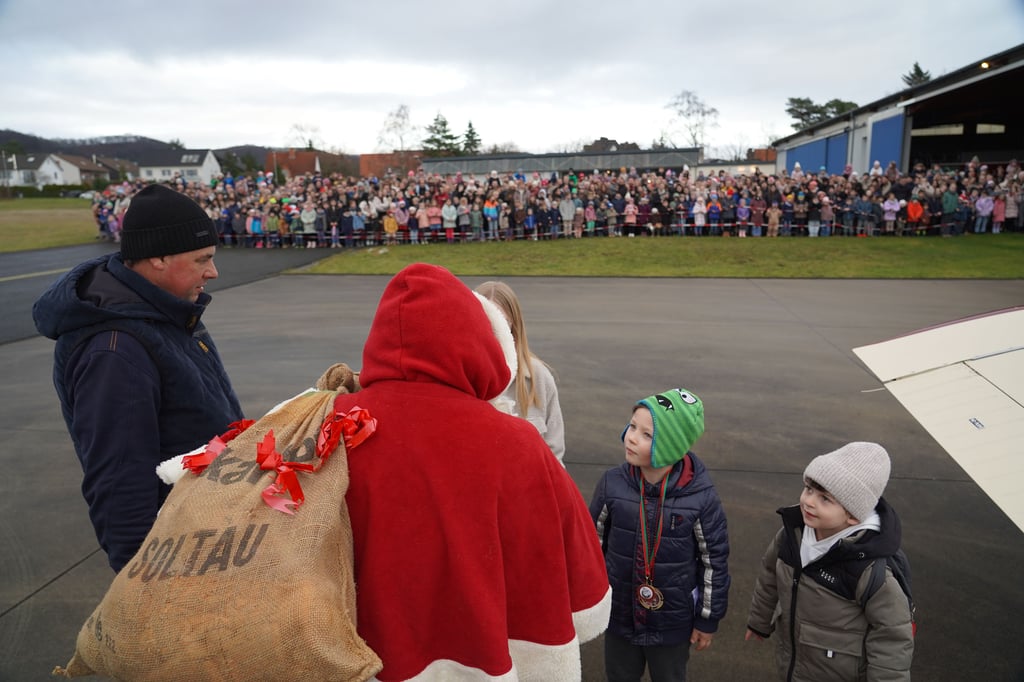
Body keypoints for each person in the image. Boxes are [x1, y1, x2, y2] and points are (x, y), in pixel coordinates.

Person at [337, 263, 611, 679]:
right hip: (483, 649)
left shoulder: (331, 424)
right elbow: (572, 556)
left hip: (364, 652)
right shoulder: (518, 443)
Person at [32, 183, 243, 572]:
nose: (212, 272)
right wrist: (143, 582)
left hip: (210, 532)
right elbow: (119, 485)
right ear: (158, 258)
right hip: (178, 556)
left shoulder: (169, 312)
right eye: (202, 259)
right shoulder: (114, 350)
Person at [590, 388, 731, 682]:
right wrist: (589, 595)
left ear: (671, 446)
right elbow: (592, 544)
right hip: (620, 614)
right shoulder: (612, 484)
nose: (631, 437)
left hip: (672, 622)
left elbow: (714, 561)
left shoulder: (700, 498)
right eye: (632, 426)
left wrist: (707, 618)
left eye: (646, 435)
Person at [745, 442, 914, 681]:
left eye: (825, 498)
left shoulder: (870, 570)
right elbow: (770, 575)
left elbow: (892, 637)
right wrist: (759, 621)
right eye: (809, 489)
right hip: (794, 663)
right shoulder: (792, 535)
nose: (809, 501)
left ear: (853, 516)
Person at [474, 280, 566, 462]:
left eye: (503, 322)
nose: (495, 331)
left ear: (514, 326)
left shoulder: (538, 378)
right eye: (487, 322)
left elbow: (554, 455)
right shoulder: (459, 380)